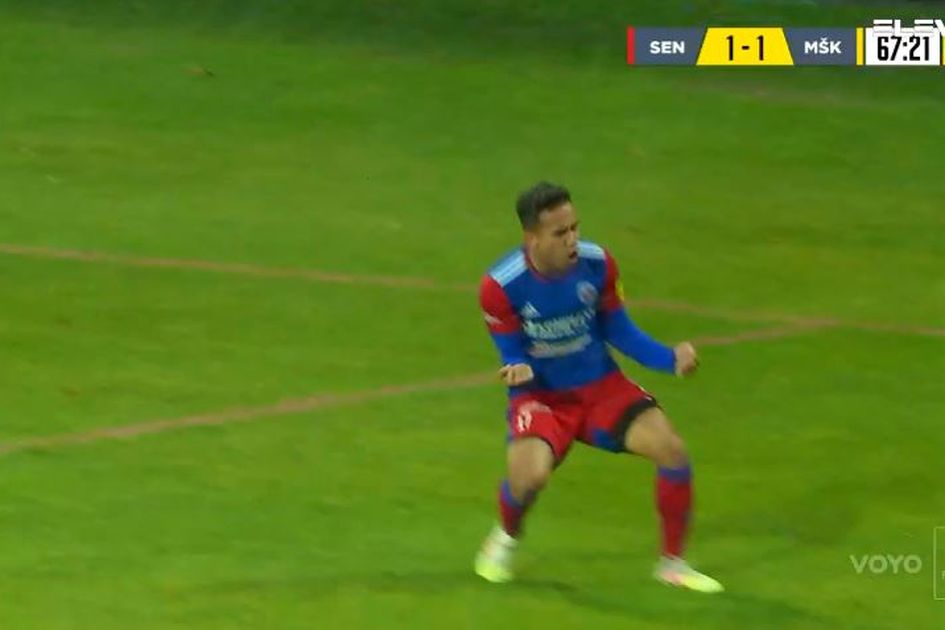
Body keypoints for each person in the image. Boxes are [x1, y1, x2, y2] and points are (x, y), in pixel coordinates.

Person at [474, 181, 723, 593]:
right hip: (541, 396)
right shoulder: (500, 286)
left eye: (575, 227)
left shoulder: (598, 264)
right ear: (532, 237)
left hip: (601, 388)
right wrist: (515, 367)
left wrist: (669, 359)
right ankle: (506, 537)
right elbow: (511, 350)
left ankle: (672, 566)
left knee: (672, 450)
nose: (572, 239)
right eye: (560, 232)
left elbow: (618, 329)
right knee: (529, 479)